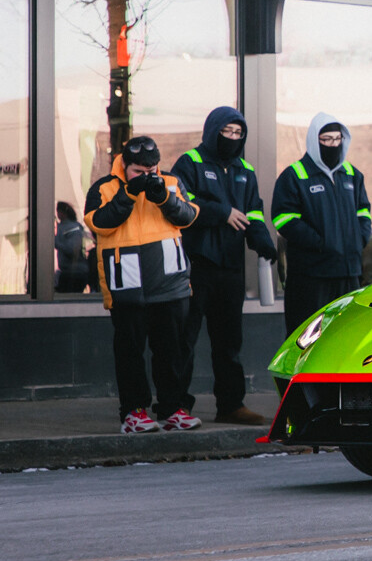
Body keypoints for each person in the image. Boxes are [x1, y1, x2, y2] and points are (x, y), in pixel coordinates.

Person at [84, 136, 202, 434]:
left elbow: (188, 216)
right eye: (139, 172)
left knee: (171, 351)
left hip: (169, 283)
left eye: (151, 171)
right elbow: (100, 223)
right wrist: (129, 193)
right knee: (130, 351)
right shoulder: (104, 188)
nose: (146, 177)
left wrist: (163, 196)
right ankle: (134, 412)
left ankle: (173, 408)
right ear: (125, 165)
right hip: (128, 283)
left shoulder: (171, 182)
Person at [170, 107, 279, 426]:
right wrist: (221, 212)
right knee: (184, 339)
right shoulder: (190, 162)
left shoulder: (245, 169)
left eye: (238, 133)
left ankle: (231, 405)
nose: (232, 138)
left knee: (229, 342)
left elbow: (254, 211)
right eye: (227, 132)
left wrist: (261, 240)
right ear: (213, 130)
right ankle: (176, 404)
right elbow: (179, 202)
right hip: (196, 265)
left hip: (231, 268)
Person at [272, 113, 372, 335]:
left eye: (337, 139)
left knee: (345, 335)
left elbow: (364, 211)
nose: (333, 145)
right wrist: (320, 242)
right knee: (308, 337)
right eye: (326, 139)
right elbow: (283, 219)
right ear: (314, 140)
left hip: (349, 273)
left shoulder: (353, 175)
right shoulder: (295, 175)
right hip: (311, 275)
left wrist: (359, 239)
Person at [54, 201, 93, 293]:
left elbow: (72, 248)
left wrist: (56, 242)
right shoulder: (62, 227)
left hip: (75, 271)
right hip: (67, 270)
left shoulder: (72, 227)